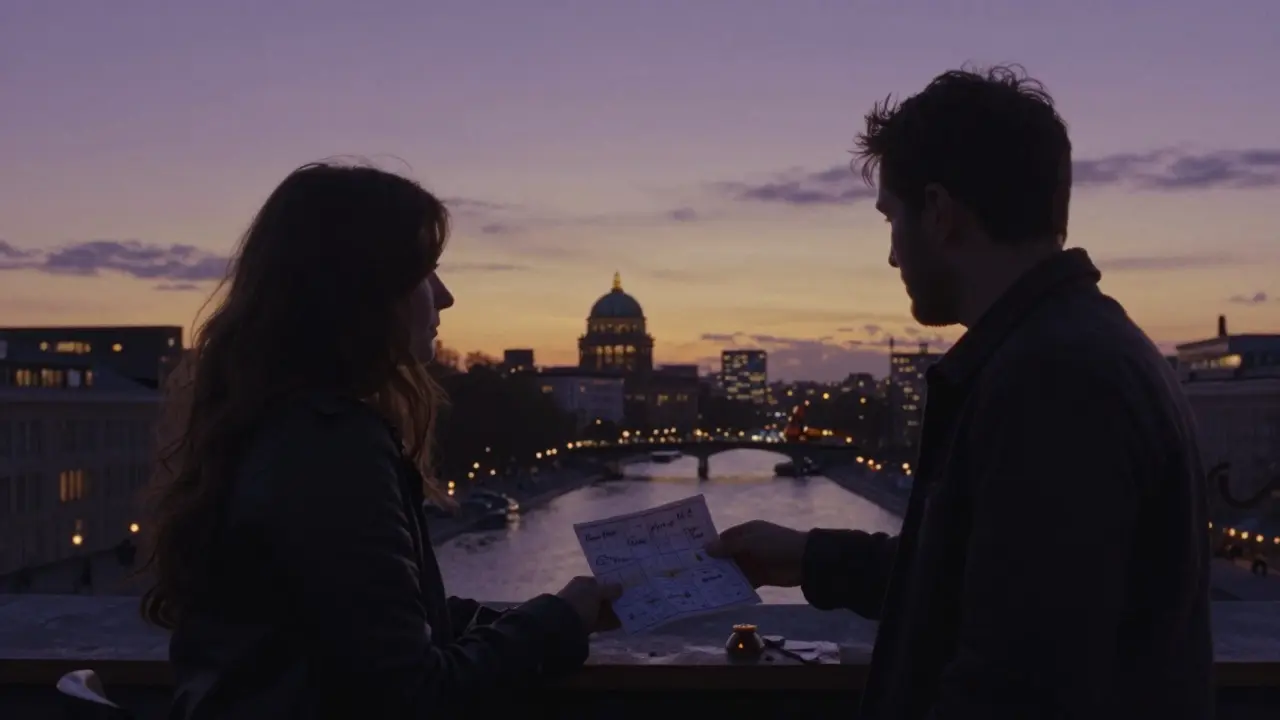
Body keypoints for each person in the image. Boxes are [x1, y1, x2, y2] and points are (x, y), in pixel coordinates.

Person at [708, 66, 1213, 719]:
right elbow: (990, 577)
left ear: (940, 213)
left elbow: (1016, 686)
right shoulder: (1085, 346)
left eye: (891, 218)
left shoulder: (1050, 384)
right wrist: (809, 559)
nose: (893, 256)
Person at [139, 162, 621, 718]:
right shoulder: (330, 448)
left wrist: (553, 614)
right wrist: (558, 623)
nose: (445, 297)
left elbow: (365, 618)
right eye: (425, 273)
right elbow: (414, 692)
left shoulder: (271, 422)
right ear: (361, 292)